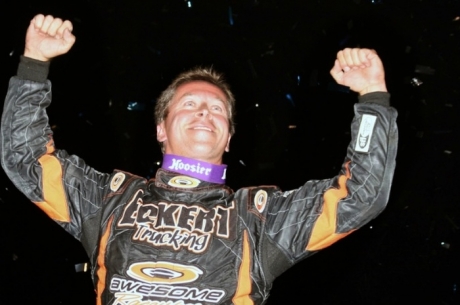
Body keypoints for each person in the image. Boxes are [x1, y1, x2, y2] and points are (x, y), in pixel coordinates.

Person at [1, 14, 398, 305]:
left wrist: (373, 97)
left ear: (229, 136)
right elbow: (25, 159)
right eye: (189, 104)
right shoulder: (108, 201)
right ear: (161, 128)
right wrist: (34, 63)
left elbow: (360, 196)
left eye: (217, 109)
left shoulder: (258, 220)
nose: (205, 112)